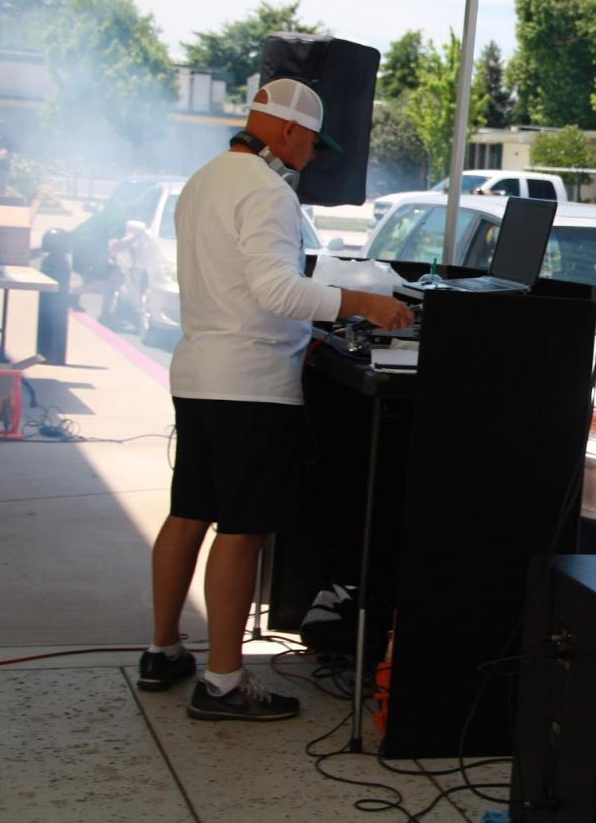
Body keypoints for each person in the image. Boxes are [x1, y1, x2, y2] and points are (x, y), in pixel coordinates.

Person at [142, 78, 412, 722]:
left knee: (189, 514)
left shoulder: (205, 179)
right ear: (288, 130)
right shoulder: (266, 192)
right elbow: (278, 292)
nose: (313, 156)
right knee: (241, 530)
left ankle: (163, 651)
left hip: (200, 373)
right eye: (313, 143)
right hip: (251, 385)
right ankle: (226, 683)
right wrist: (363, 303)